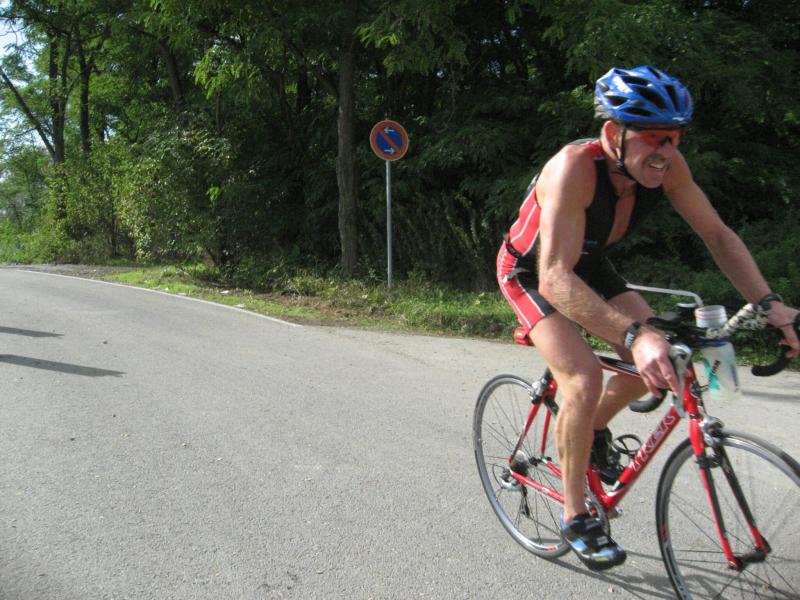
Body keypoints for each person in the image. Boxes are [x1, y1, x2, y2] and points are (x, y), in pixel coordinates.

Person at [496, 65, 800, 571]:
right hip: (532, 272)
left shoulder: (668, 167)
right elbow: (553, 277)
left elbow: (718, 235)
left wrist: (769, 303)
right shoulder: (573, 168)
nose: (666, 150)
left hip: (592, 265)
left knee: (664, 359)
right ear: (613, 133)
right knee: (583, 376)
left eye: (675, 138)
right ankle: (576, 516)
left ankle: (591, 430)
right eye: (654, 137)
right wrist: (635, 334)